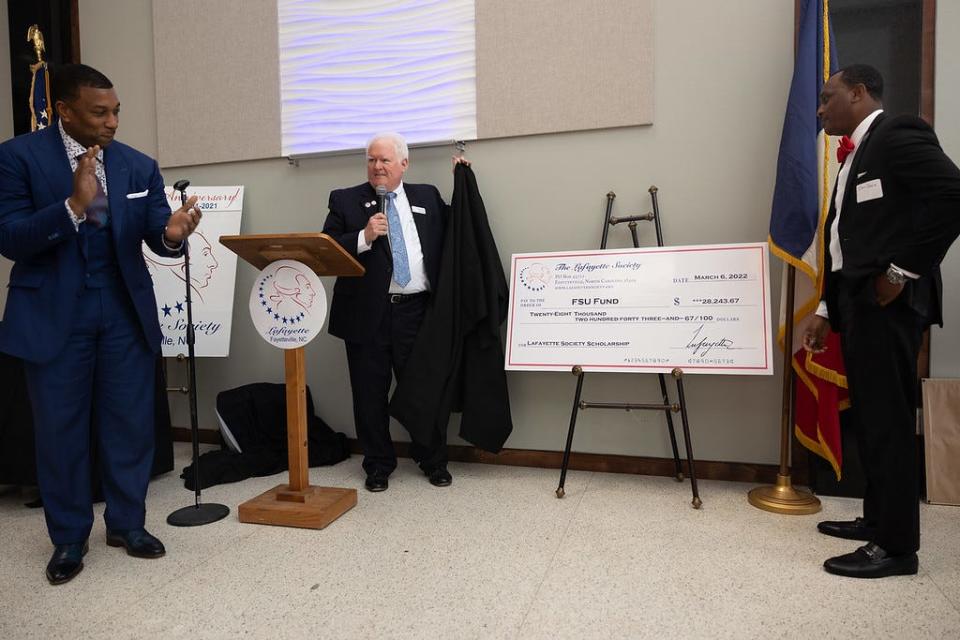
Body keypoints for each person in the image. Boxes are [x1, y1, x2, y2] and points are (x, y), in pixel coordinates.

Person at [0, 64, 202, 585]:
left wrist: (174, 233)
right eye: (99, 112)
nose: (112, 122)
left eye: (116, 111)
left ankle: (127, 525)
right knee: (61, 431)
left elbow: (158, 236)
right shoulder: (17, 157)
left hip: (122, 311)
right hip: (53, 313)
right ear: (64, 111)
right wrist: (73, 206)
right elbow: (11, 238)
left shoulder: (138, 165)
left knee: (129, 424)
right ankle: (69, 537)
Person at [804, 64, 960, 579]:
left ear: (859, 92)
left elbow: (952, 198)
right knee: (872, 420)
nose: (821, 109)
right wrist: (827, 309)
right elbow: (841, 242)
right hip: (858, 305)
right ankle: (878, 520)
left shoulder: (898, 134)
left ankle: (897, 548)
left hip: (890, 304)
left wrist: (901, 271)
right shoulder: (851, 155)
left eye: (828, 98)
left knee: (890, 422)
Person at [322, 132, 467, 492]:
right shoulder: (345, 200)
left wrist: (464, 182)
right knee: (369, 395)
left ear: (404, 163)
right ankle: (378, 465)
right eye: (372, 159)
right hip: (367, 316)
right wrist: (363, 237)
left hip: (416, 314)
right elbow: (326, 249)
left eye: (385, 160)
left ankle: (432, 459)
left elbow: (459, 230)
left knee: (424, 390)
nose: (377, 166)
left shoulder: (427, 196)